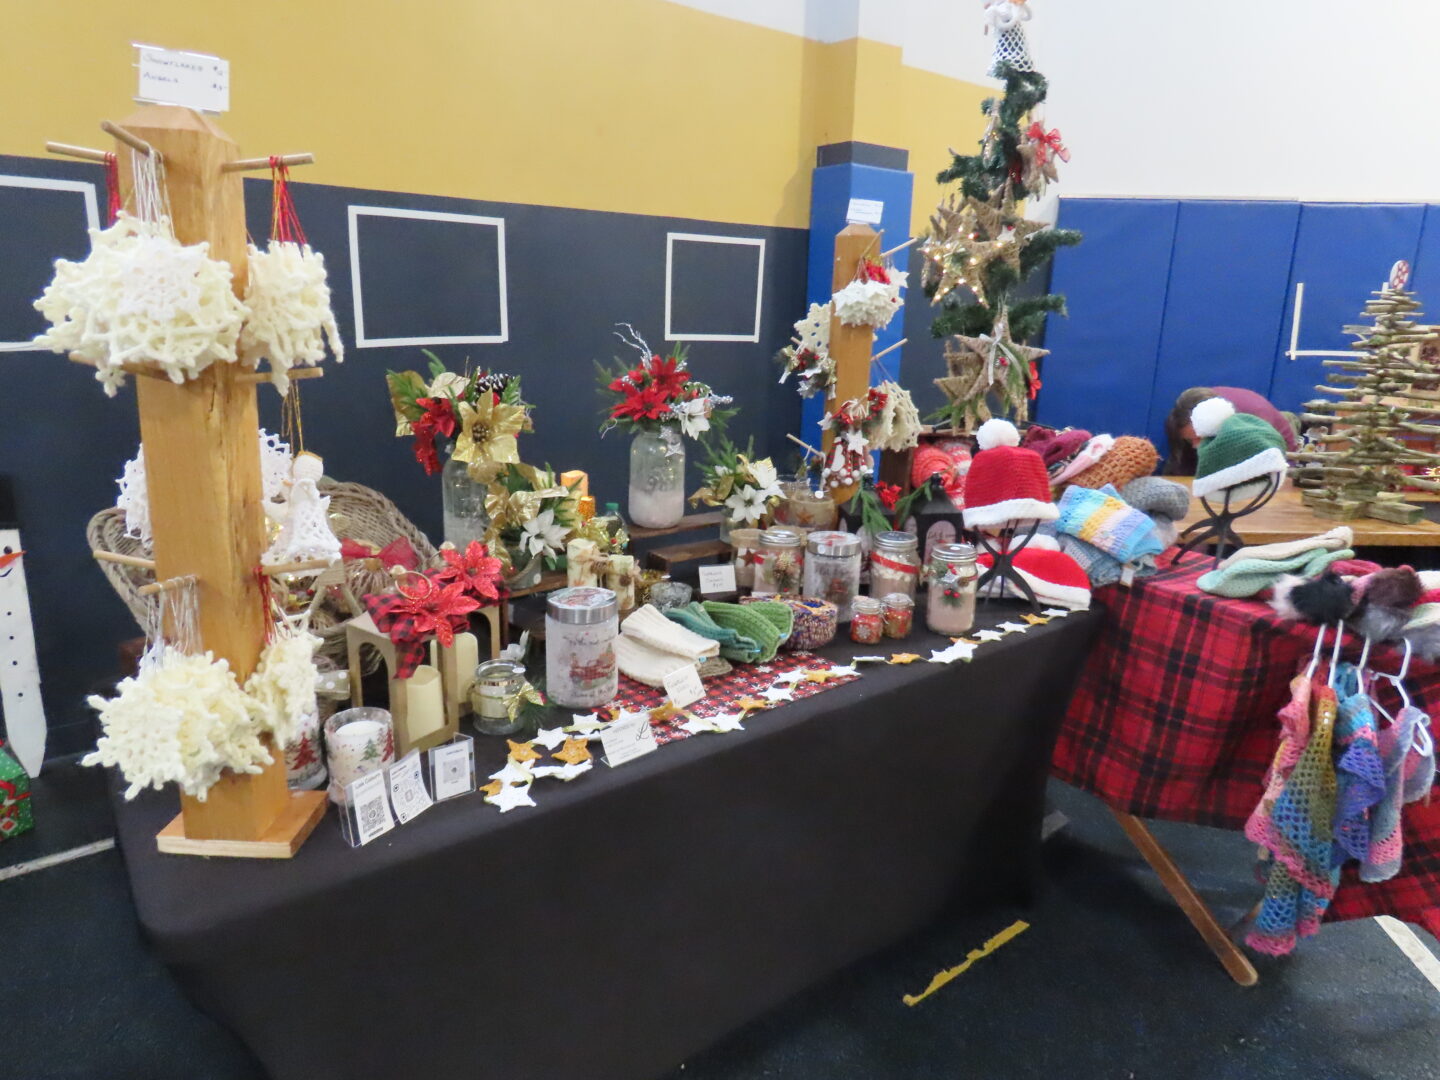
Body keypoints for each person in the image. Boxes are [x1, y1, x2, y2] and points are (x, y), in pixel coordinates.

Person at [1163, 386, 1298, 475]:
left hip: (1276, 449)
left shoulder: (1255, 422)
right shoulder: (1193, 411)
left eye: (1198, 438)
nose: (1194, 445)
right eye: (1189, 440)